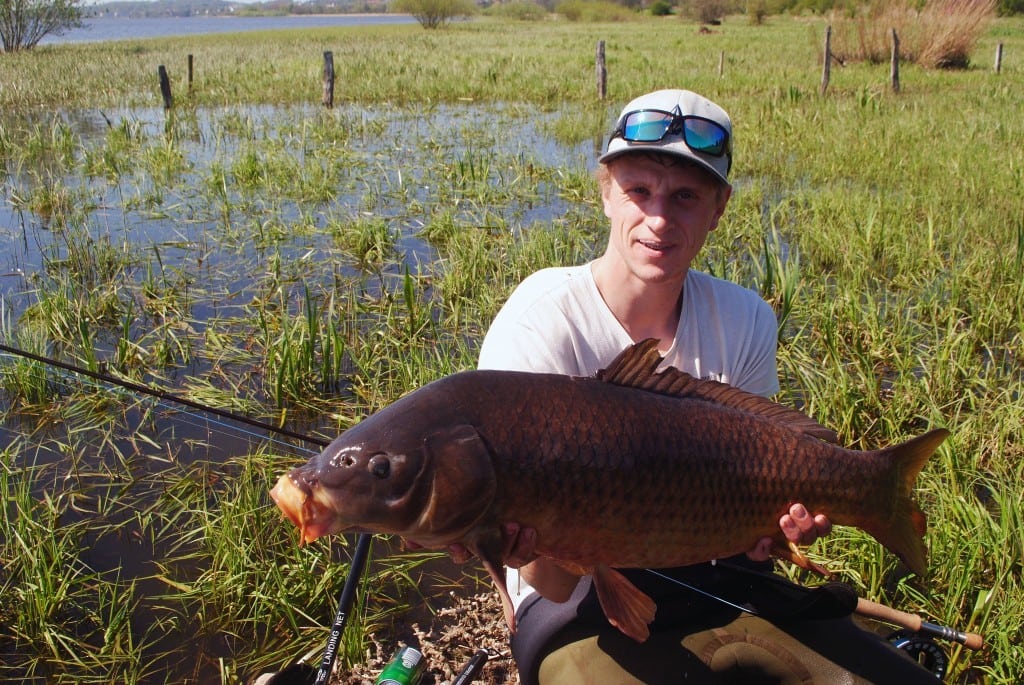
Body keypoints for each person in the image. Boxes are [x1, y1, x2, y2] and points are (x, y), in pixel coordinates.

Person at [476, 89, 939, 684]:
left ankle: (881, 489)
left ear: (719, 208)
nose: (660, 218)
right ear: (606, 193)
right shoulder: (540, 319)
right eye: (639, 191)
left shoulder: (745, 318)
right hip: (575, 601)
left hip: (720, 574)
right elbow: (549, 580)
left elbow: (750, 532)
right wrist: (521, 544)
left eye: (686, 197)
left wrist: (773, 533)